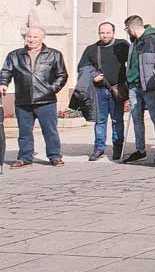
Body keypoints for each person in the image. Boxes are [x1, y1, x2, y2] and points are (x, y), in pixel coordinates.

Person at [0, 27, 68, 168]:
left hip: (46, 100)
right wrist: (3, 83)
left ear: (42, 38)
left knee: (50, 131)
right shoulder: (14, 55)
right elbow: (6, 72)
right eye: (29, 36)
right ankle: (25, 158)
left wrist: (51, 89)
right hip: (23, 100)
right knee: (24, 132)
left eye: (35, 37)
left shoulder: (54, 54)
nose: (31, 39)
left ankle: (55, 156)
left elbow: (62, 75)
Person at [78, 22, 129, 161]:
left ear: (113, 32)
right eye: (102, 32)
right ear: (98, 33)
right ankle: (99, 148)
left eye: (108, 32)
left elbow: (131, 63)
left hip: (117, 89)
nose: (105, 35)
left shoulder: (122, 45)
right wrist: (93, 75)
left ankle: (118, 146)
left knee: (117, 120)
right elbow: (82, 66)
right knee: (100, 121)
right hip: (99, 90)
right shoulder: (91, 49)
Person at [123, 15, 155, 164]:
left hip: (149, 86)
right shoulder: (134, 42)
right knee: (137, 119)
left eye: (127, 29)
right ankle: (140, 149)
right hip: (134, 85)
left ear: (132, 28)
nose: (127, 32)